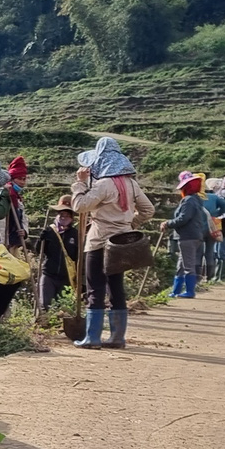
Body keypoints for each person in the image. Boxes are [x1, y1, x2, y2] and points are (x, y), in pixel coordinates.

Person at [70, 137, 155, 349]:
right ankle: (117, 338)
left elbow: (79, 206)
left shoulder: (104, 185)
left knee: (95, 289)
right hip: (121, 244)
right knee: (116, 288)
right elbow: (148, 210)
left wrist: (80, 183)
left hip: (99, 243)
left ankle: (93, 338)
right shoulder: (131, 184)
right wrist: (129, 224)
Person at [162, 172, 207, 297]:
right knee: (181, 265)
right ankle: (176, 291)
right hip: (193, 236)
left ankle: (190, 291)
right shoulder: (196, 200)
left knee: (188, 265)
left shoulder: (188, 201)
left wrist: (168, 223)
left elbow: (183, 218)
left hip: (188, 236)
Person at [35, 195, 79, 310]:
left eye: (68, 215)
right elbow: (38, 251)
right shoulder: (49, 231)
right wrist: (41, 239)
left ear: (72, 218)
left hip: (66, 276)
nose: (64, 218)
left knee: (64, 308)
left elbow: (78, 256)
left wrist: (79, 279)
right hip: (49, 274)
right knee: (45, 306)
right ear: (57, 215)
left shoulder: (75, 234)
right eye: (62, 215)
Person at [4, 156, 30, 250]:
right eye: (19, 179)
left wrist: (24, 232)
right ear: (11, 179)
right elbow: (1, 223)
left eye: (24, 179)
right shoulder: (6, 196)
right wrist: (2, 243)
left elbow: (23, 218)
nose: (22, 182)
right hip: (5, 244)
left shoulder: (18, 199)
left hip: (15, 244)